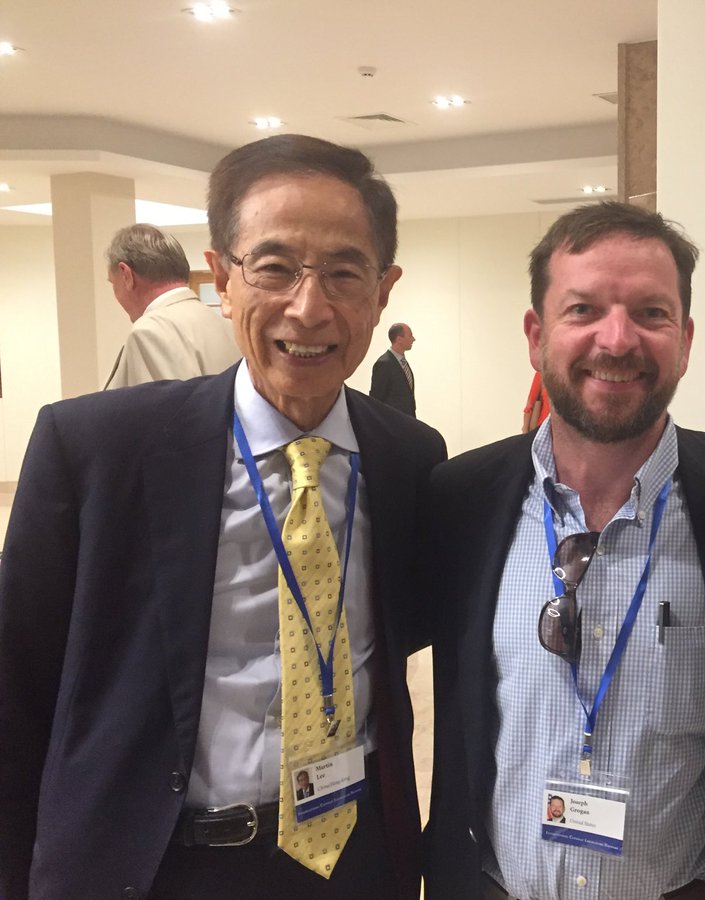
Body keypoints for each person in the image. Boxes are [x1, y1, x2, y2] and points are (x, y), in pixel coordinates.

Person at [0, 134, 446, 899]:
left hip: (356, 861)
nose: (309, 308)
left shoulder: (410, 457)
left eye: (344, 272)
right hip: (155, 865)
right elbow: (15, 692)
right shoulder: (97, 450)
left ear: (383, 289)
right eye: (274, 268)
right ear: (221, 279)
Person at [422, 201, 705, 899]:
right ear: (535, 333)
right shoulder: (461, 499)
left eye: (651, 313)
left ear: (687, 338)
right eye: (583, 310)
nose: (618, 340)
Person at [103, 223, 242, 388]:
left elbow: (161, 412)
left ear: (126, 275)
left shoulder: (149, 332)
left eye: (113, 283)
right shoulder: (229, 327)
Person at [370, 322, 417, 416]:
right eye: (410, 335)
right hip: (392, 423)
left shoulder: (403, 362)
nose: (413, 339)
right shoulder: (384, 363)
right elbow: (376, 399)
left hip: (407, 422)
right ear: (399, 339)